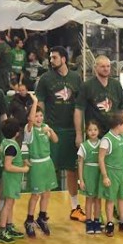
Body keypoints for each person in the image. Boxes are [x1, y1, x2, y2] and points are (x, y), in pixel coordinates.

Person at [36, 46, 87, 222]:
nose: (51, 60)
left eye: (54, 57)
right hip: (52, 130)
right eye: (50, 57)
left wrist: (80, 131)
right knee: (48, 172)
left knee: (72, 170)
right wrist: (41, 126)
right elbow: (40, 104)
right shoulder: (45, 79)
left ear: (64, 59)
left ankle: (74, 208)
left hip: (72, 131)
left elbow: (80, 106)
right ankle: (42, 212)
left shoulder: (76, 78)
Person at [23, 100, 58, 237]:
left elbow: (55, 140)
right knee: (35, 195)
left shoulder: (45, 127)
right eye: (36, 116)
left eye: (40, 115)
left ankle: (42, 217)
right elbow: (31, 120)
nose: (38, 118)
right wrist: (35, 101)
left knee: (47, 192)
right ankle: (29, 220)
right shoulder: (29, 130)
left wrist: (50, 130)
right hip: (36, 164)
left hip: (47, 163)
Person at [98, 112, 123, 237]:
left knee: (122, 197)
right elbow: (101, 158)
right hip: (111, 172)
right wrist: (104, 176)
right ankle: (109, 223)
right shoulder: (106, 139)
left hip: (122, 172)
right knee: (110, 199)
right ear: (118, 125)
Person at [0, 119, 29, 244]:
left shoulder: (5, 142)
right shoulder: (11, 147)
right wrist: (24, 169)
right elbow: (8, 166)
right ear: (17, 133)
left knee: (10, 202)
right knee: (8, 204)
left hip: (12, 179)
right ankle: (2, 230)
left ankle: (9, 226)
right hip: (10, 178)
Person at [77, 120, 102, 234]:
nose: (93, 132)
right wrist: (81, 179)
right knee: (89, 199)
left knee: (98, 199)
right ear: (86, 132)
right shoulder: (84, 145)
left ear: (99, 131)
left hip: (99, 173)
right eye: (90, 130)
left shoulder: (102, 144)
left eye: (95, 129)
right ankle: (88, 221)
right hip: (89, 173)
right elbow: (80, 163)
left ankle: (97, 221)